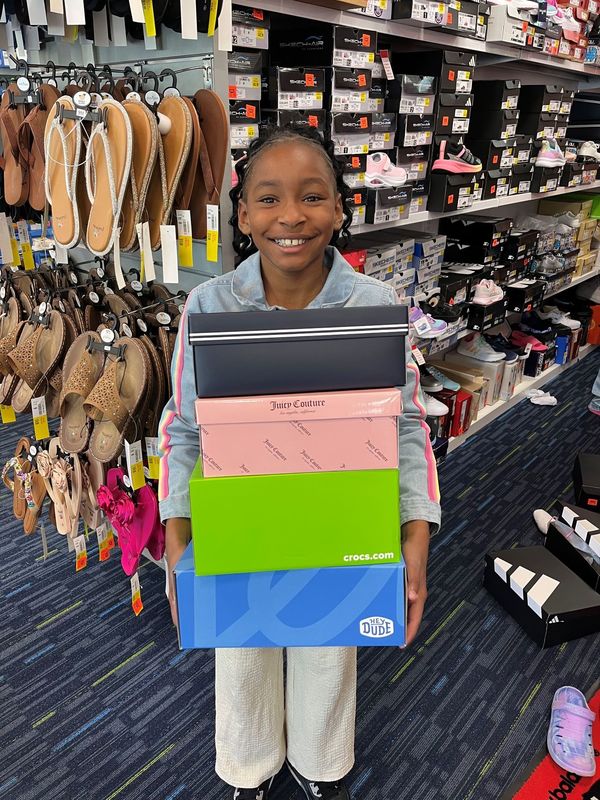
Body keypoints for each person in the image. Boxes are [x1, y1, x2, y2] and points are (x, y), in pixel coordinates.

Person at [158, 127, 442, 800]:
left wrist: (416, 534)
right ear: (245, 213)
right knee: (245, 650)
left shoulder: (376, 308)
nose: (291, 216)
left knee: (326, 644)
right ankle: (249, 767)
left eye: (312, 197)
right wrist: (176, 539)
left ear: (341, 208)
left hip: (340, 518)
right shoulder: (210, 306)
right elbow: (184, 428)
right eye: (269, 198)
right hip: (239, 515)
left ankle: (320, 764)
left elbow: (405, 427)